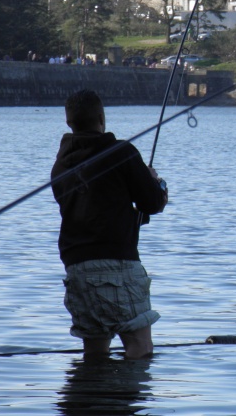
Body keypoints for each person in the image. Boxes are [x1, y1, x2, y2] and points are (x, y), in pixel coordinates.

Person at [51, 89, 168, 359]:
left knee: (95, 350)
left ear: (69, 123)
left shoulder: (60, 167)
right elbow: (152, 203)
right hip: (117, 262)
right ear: (102, 118)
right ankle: (126, 399)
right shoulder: (121, 152)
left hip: (76, 268)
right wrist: (156, 182)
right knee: (140, 346)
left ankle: (93, 397)